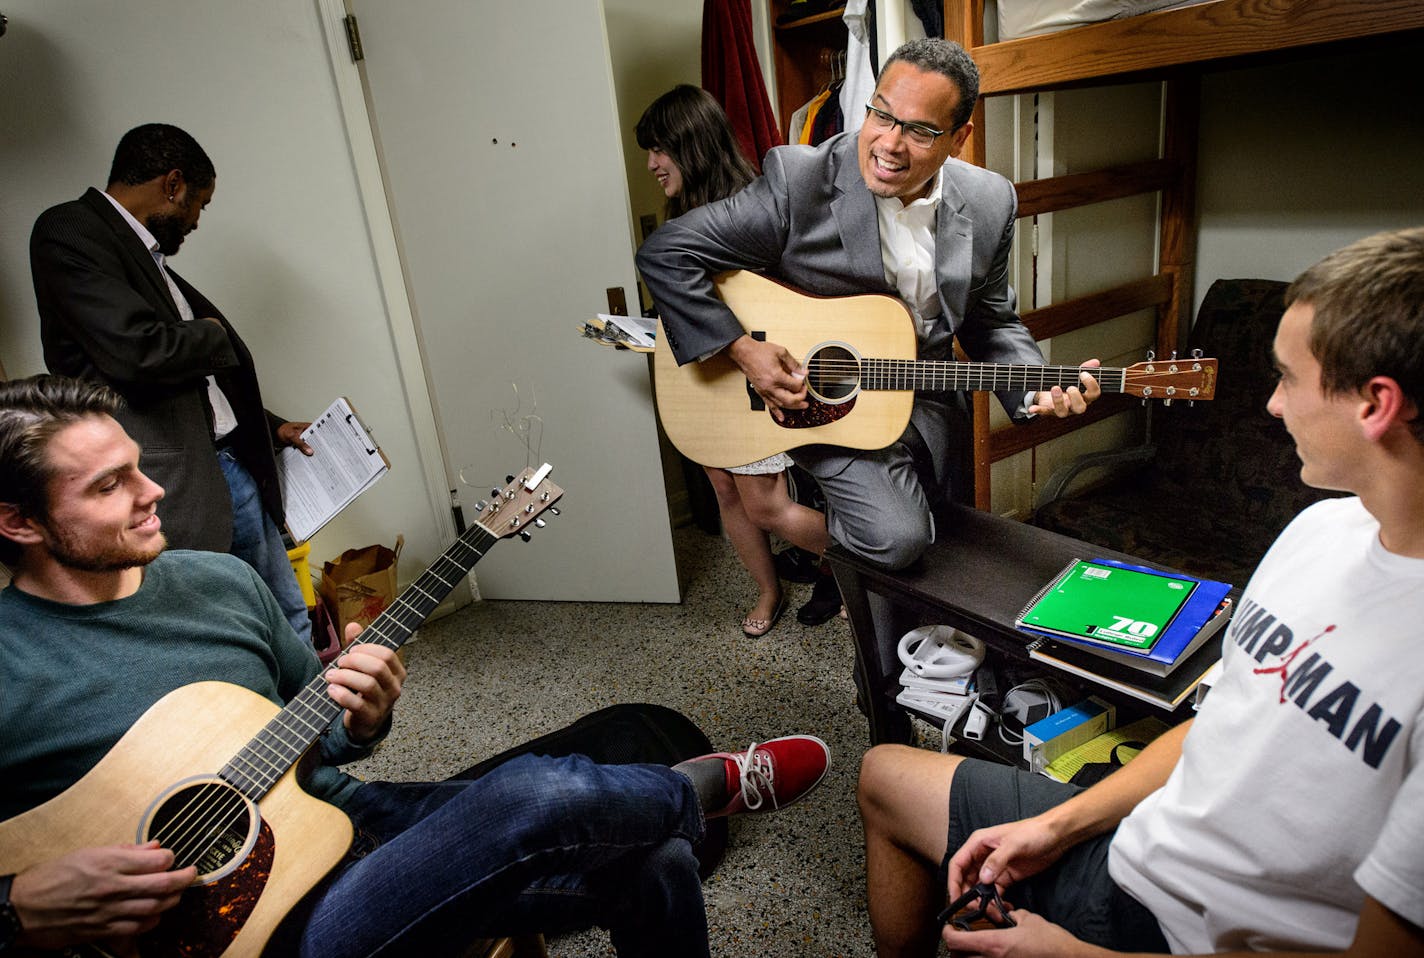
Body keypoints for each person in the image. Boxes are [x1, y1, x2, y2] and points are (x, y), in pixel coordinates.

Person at [0, 374, 832, 957]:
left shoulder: (215, 582)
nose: (152, 492)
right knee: (538, 792)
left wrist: (364, 717)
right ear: (19, 522)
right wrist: (18, 907)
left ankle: (673, 806)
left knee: (656, 858)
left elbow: (312, 734)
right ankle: (700, 786)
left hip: (350, 825)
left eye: (140, 465)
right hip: (268, 930)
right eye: (109, 486)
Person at [856, 226, 1424, 957]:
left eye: (1286, 378)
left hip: (1188, 938)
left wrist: (1072, 955)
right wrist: (1059, 825)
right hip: (1142, 848)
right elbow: (1219, 725)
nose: (1272, 408)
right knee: (882, 774)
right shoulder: (1319, 529)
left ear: (1376, 403)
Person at [636, 39, 1100, 705]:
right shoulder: (798, 179)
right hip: (824, 407)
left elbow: (992, 320)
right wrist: (741, 348)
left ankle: (957, 678)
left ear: (960, 135)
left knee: (956, 551)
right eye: (881, 114)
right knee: (897, 536)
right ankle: (878, 679)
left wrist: (1034, 389)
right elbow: (667, 252)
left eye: (919, 129)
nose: (888, 142)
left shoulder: (991, 200)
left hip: (932, 404)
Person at [30, 122, 316, 644]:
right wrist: (210, 332)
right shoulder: (70, 231)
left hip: (228, 467)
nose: (196, 221)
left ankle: (314, 725)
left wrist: (269, 427)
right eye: (199, 204)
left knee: (288, 621)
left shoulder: (147, 259)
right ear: (172, 184)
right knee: (219, 634)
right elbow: (140, 351)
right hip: (177, 483)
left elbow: (191, 380)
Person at [637, 84, 837, 635]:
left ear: (692, 144)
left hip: (750, 382)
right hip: (702, 378)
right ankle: (768, 589)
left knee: (766, 506)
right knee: (724, 490)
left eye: (659, 149)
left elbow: (775, 306)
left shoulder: (754, 207)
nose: (652, 164)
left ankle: (872, 565)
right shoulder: (681, 212)